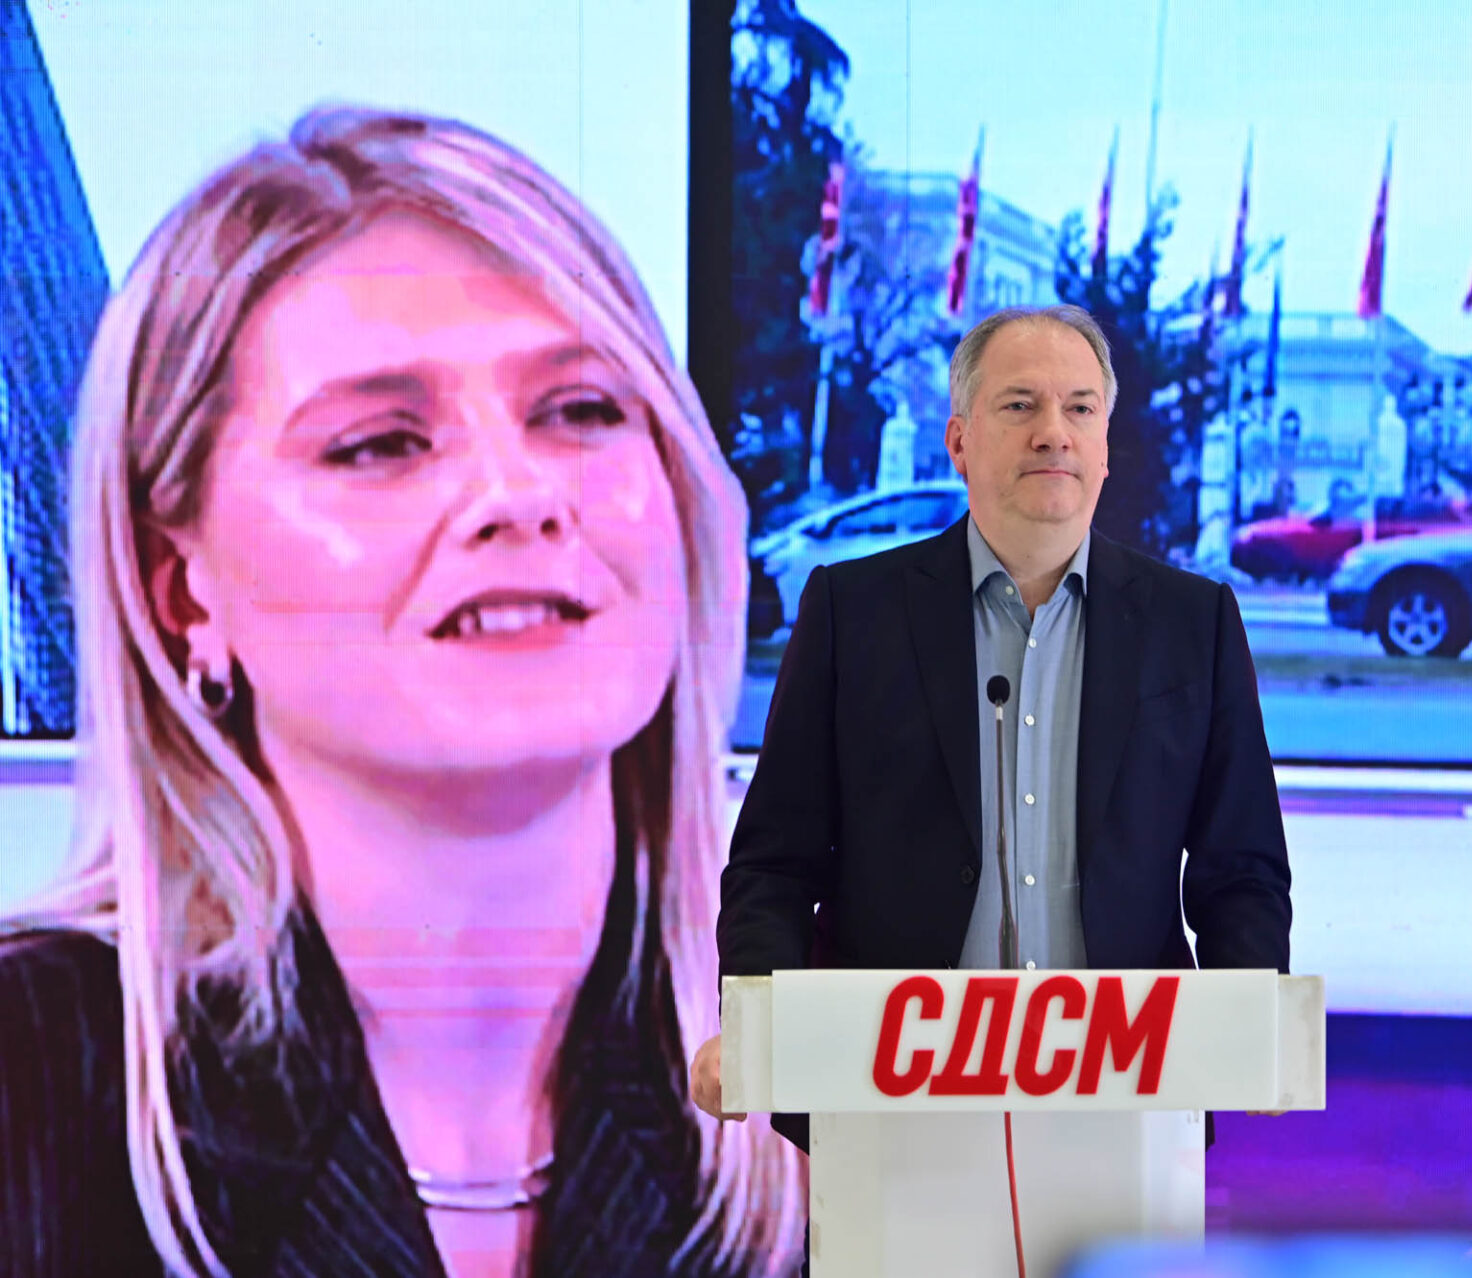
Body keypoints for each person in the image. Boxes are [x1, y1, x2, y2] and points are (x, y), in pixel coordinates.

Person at [0, 108, 803, 1278]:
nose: (518, 495)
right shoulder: (31, 1081)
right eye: (380, 442)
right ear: (180, 592)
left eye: (580, 411)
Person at [691, 304, 1292, 1146]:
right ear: (959, 442)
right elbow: (775, 865)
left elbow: (1242, 867)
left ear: (1105, 445)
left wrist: (1248, 1021)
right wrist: (756, 1026)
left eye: (1080, 408)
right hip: (889, 1106)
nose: (1054, 433)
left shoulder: (1194, 623)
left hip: (1128, 1107)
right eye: (1020, 405)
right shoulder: (852, 614)